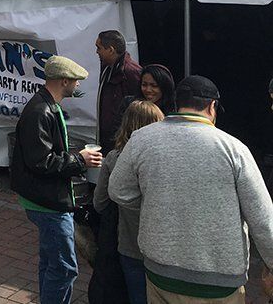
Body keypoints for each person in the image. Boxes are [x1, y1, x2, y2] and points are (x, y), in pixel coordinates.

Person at [109, 76, 273, 303]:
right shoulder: (234, 149)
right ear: (212, 106)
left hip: (160, 273)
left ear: (177, 103)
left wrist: (157, 203)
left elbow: (117, 190)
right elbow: (263, 218)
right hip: (218, 281)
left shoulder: (141, 139)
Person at [10, 55, 102, 304]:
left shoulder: (46, 106)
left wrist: (76, 158)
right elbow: (41, 162)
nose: (78, 85)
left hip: (44, 198)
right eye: (75, 81)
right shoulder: (41, 110)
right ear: (64, 81)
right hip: (47, 202)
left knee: (51, 262)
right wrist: (80, 160)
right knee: (64, 268)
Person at [91, 100, 164, 304]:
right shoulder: (166, 161)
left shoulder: (114, 158)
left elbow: (99, 203)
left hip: (129, 244)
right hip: (164, 247)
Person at [95, 30, 142, 152]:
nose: (96, 52)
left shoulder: (131, 72)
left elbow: (139, 106)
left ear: (110, 50)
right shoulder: (107, 68)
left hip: (122, 141)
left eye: (99, 48)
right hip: (107, 139)